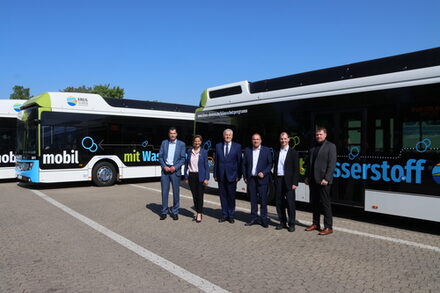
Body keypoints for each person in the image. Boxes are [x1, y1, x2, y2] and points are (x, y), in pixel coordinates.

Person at [304, 127, 337, 235]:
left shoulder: (331, 146)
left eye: (320, 134)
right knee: (315, 204)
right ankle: (315, 224)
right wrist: (307, 177)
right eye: (317, 134)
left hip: (324, 181)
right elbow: (309, 163)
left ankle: (328, 227)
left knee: (325, 204)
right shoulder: (313, 147)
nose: (318, 136)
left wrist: (327, 178)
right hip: (313, 180)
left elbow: (332, 164)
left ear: (325, 135)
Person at [242, 133, 273, 228]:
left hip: (262, 179)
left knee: (263, 200)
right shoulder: (247, 150)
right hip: (251, 179)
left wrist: (264, 172)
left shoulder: (266, 150)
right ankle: (253, 218)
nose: (255, 141)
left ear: (261, 140)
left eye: (257, 139)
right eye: (254, 139)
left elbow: (270, 164)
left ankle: (264, 219)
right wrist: (245, 177)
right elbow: (244, 165)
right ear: (252, 141)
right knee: (253, 200)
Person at [214, 129, 242, 223]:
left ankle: (231, 215)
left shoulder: (237, 147)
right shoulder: (218, 146)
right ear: (223, 136)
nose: (227, 136)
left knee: (231, 196)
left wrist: (239, 175)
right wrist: (215, 174)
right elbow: (216, 162)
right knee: (223, 196)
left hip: (232, 176)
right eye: (226, 135)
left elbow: (239, 162)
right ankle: (224, 214)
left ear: (232, 136)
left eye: (229, 135)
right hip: (221, 175)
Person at [273, 132, 299, 232]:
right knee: (279, 203)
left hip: (289, 181)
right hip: (279, 179)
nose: (283, 140)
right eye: (281, 139)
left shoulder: (294, 153)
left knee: (290, 203)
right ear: (280, 140)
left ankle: (291, 224)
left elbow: (296, 169)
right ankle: (282, 222)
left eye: (285, 138)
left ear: (288, 139)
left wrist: (295, 183)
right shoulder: (276, 152)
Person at [158, 127, 186, 221]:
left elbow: (183, 158)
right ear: (168, 134)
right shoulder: (164, 143)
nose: (172, 135)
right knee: (164, 192)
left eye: (174, 133)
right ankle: (164, 212)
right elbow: (160, 156)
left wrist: (175, 167)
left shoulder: (181, 144)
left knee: (176, 193)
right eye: (171, 133)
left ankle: (175, 212)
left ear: (176, 134)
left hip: (175, 171)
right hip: (165, 171)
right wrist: (164, 166)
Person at [184, 135, 210, 223]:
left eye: (198, 141)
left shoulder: (204, 152)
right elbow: (186, 165)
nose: (197, 142)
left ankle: (199, 213)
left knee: (200, 195)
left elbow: (206, 166)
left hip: (201, 176)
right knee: (194, 196)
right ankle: (198, 211)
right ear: (193, 142)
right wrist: (186, 176)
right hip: (191, 176)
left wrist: (207, 178)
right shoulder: (189, 151)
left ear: (201, 142)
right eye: (195, 141)